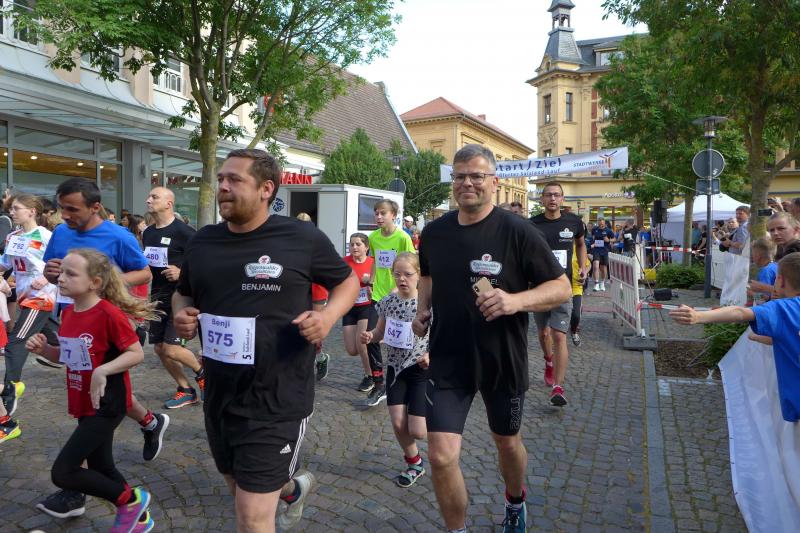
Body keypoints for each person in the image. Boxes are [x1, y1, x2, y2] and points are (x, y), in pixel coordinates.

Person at [172, 148, 359, 532]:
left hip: (278, 395)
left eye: (234, 180)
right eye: (221, 179)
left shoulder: (301, 237)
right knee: (237, 485)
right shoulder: (204, 241)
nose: (223, 186)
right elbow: (184, 292)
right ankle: (291, 489)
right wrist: (182, 313)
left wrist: (327, 317)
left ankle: (281, 490)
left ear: (266, 189)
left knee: (252, 515)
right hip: (220, 391)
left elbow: (348, 282)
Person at [413, 144, 570, 533]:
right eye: (460, 176)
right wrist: (422, 308)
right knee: (441, 456)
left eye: (476, 176)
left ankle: (515, 500)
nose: (467, 183)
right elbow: (427, 275)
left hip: (502, 359)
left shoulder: (518, 231)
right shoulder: (434, 232)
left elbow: (562, 287)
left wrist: (515, 300)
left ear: (495, 182)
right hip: (449, 359)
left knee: (507, 442)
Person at [38, 178, 169, 519]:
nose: (64, 215)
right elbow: (53, 274)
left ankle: (82, 490)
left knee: (104, 402)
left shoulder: (119, 236)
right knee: (100, 455)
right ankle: (131, 504)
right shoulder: (61, 234)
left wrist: (104, 288)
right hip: (76, 323)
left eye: (72, 209)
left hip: (108, 324)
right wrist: (55, 275)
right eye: (61, 207)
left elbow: (143, 274)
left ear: (95, 207)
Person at [25, 248, 159, 530]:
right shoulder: (70, 312)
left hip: (108, 403)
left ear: (94, 282)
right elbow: (69, 356)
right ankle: (138, 519)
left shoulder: (109, 314)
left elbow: (136, 353)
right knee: (102, 467)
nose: (61, 278)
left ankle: (132, 501)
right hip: (84, 402)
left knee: (64, 472)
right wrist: (46, 350)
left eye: (71, 274)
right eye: (62, 272)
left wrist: (103, 370)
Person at [670, 252, 800, 423]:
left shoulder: (784, 308)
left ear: (780, 280)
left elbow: (740, 312)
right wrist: (763, 338)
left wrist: (698, 316)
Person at [360, 252, 430, 487]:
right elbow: (379, 332)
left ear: (418, 275)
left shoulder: (427, 304)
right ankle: (415, 463)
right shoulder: (388, 301)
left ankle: (436, 413)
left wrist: (430, 355)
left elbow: (441, 336)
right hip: (395, 369)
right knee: (398, 423)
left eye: (407, 274)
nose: (402, 279)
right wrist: (370, 336)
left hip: (420, 369)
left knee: (418, 431)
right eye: (397, 274)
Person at [0, 194, 58, 443]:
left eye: (17, 208)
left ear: (32, 211)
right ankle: (92, 356)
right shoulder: (12, 237)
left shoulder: (45, 236)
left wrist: (45, 278)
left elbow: (61, 261)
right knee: (59, 337)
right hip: (24, 295)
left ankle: (10, 389)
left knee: (15, 342)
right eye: (11, 209)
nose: (12, 212)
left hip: (41, 296)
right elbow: (5, 263)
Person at [142, 187, 204, 409]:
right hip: (158, 298)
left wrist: (182, 272)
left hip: (181, 298)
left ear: (169, 203)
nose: (148, 200)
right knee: (160, 349)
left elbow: (204, 264)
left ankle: (203, 374)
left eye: (154, 197)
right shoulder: (148, 233)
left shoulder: (185, 232)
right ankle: (185, 390)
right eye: (149, 196)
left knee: (171, 348)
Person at [530, 181, 588, 406]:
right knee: (543, 333)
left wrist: (582, 267)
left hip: (563, 287)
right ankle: (548, 361)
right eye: (548, 195)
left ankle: (558, 386)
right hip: (539, 288)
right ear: (542, 199)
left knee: (559, 335)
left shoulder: (574, 222)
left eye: (557, 195)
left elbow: (581, 244)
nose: (553, 198)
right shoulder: (532, 224)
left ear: (562, 199)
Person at [366, 199, 414, 407]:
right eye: (376, 213)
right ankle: (378, 384)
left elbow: (412, 264)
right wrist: (371, 281)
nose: (379, 217)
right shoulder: (373, 237)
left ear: (393, 215)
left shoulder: (403, 237)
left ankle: (406, 380)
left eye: (383, 213)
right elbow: (375, 262)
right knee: (370, 336)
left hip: (400, 296)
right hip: (378, 295)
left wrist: (398, 289)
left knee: (401, 340)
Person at [342, 233, 376, 392]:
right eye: (351, 244)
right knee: (352, 349)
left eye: (358, 244)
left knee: (362, 343)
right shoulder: (344, 262)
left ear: (366, 247)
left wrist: (371, 282)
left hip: (366, 306)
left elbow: (381, 282)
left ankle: (371, 376)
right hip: (349, 307)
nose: (354, 247)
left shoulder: (372, 263)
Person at [748, 237, 777, 303]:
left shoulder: (766, 271)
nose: (752, 257)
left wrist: (751, 293)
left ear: (758, 256)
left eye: (753, 254)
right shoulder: (776, 265)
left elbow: (764, 300)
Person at [590, 218, 614, 291]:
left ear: (604, 224)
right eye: (600, 224)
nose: (601, 225)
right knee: (596, 266)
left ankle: (602, 282)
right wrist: (592, 243)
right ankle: (596, 283)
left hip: (605, 251)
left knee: (603, 268)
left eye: (602, 224)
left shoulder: (608, 230)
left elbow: (614, 239)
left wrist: (609, 240)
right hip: (596, 250)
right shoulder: (594, 229)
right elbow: (592, 238)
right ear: (598, 223)